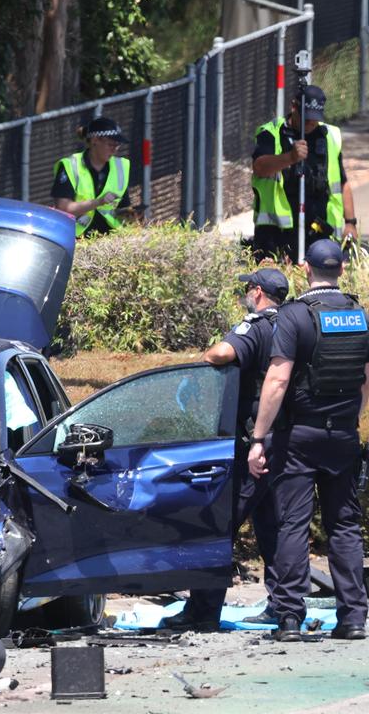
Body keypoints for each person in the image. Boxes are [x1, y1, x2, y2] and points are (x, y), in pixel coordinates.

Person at [247, 239, 369, 642]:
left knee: (293, 524)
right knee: (345, 526)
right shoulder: (358, 314)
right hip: (343, 434)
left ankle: (288, 619)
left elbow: (278, 379)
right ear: (341, 269)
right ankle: (353, 618)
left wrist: (259, 436)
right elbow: (364, 378)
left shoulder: (296, 316)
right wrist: (353, 418)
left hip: (299, 435)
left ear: (305, 269)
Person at [162, 268, 287, 631]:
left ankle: (202, 612)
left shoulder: (255, 326)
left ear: (259, 293)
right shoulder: (293, 324)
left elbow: (221, 353)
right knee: (273, 528)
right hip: (284, 440)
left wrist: (204, 359)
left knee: (218, 526)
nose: (246, 293)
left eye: (249, 288)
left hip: (252, 444)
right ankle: (284, 605)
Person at [250, 85, 358, 263]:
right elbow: (260, 168)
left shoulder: (329, 135)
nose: (310, 123)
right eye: (306, 118)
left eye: (314, 119)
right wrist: (290, 158)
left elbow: (342, 181)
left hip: (319, 230)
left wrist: (350, 222)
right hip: (276, 234)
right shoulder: (272, 132)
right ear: (294, 107)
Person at [51, 117, 133, 238]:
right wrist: (98, 202)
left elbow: (123, 207)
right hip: (76, 238)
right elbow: (63, 208)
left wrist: (133, 216)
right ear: (95, 140)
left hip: (112, 239)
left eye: (117, 145)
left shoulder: (121, 166)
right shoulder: (70, 166)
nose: (114, 150)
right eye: (111, 144)